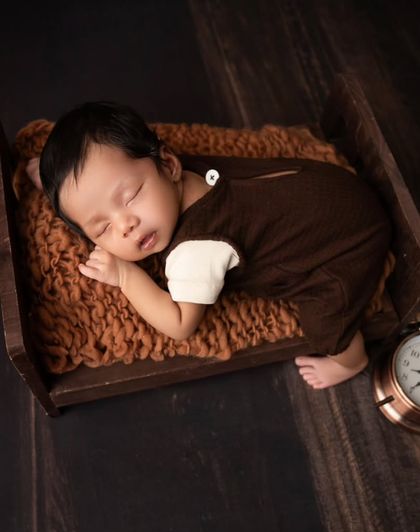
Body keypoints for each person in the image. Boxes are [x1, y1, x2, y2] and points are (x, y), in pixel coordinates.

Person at [26, 101, 391, 390]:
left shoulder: (196, 251)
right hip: (331, 188)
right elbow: (93, 187)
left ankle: (351, 361)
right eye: (102, 227)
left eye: (132, 195)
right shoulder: (178, 177)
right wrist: (53, 179)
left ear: (168, 164)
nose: (125, 225)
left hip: (348, 243)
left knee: (327, 322)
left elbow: (181, 323)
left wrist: (125, 275)